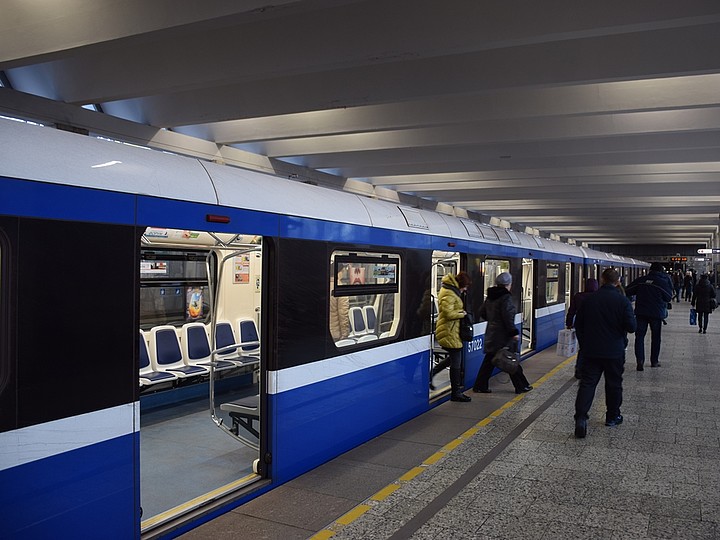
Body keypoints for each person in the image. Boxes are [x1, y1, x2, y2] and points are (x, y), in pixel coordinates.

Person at [574, 268, 636, 438]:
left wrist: (585, 344)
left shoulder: (589, 299)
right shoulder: (622, 301)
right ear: (618, 282)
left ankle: (581, 418)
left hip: (591, 350)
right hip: (614, 352)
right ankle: (612, 416)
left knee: (587, 384)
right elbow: (632, 327)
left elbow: (578, 325)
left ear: (602, 280)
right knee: (614, 384)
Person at [472, 272, 532, 394]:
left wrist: (493, 320)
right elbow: (508, 317)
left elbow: (482, 312)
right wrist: (513, 332)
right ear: (508, 284)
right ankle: (521, 386)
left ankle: (480, 385)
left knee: (489, 362)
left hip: (492, 333)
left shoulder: (490, 297)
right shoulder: (506, 298)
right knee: (510, 359)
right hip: (502, 335)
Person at [625, 262, 673, 370]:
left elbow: (627, 291)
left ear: (650, 270)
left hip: (641, 312)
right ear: (661, 271)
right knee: (656, 337)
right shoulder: (662, 282)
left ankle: (640, 361)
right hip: (656, 314)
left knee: (639, 337)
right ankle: (654, 361)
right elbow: (668, 297)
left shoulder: (641, 280)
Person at [435, 271, 472, 402]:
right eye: (465, 286)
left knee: (454, 357)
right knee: (456, 360)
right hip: (448, 331)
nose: (465, 289)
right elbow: (448, 313)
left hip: (452, 330)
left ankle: (433, 373)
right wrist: (462, 313)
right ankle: (455, 393)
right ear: (460, 284)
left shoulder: (451, 291)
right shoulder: (449, 293)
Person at [565, 278, 599, 379]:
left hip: (580, 326)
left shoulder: (578, 296)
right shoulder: (598, 296)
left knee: (583, 348)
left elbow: (571, 311)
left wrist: (569, 323)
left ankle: (579, 370)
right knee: (593, 348)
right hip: (595, 327)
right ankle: (591, 369)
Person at [329, 268, 350, 342]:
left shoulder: (325, 285)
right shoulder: (340, 288)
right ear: (338, 273)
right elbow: (343, 314)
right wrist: (345, 334)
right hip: (336, 333)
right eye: (343, 271)